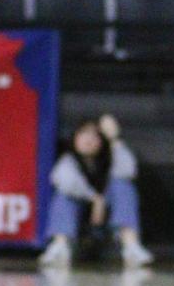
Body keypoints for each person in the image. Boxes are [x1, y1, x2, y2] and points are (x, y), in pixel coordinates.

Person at [39, 115, 151, 268]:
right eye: (83, 133)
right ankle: (60, 246)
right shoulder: (69, 159)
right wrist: (94, 198)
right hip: (81, 220)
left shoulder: (110, 156)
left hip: (109, 221)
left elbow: (128, 170)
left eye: (94, 135)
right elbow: (62, 180)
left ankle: (131, 247)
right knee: (63, 196)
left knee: (123, 187)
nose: (88, 139)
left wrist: (114, 140)